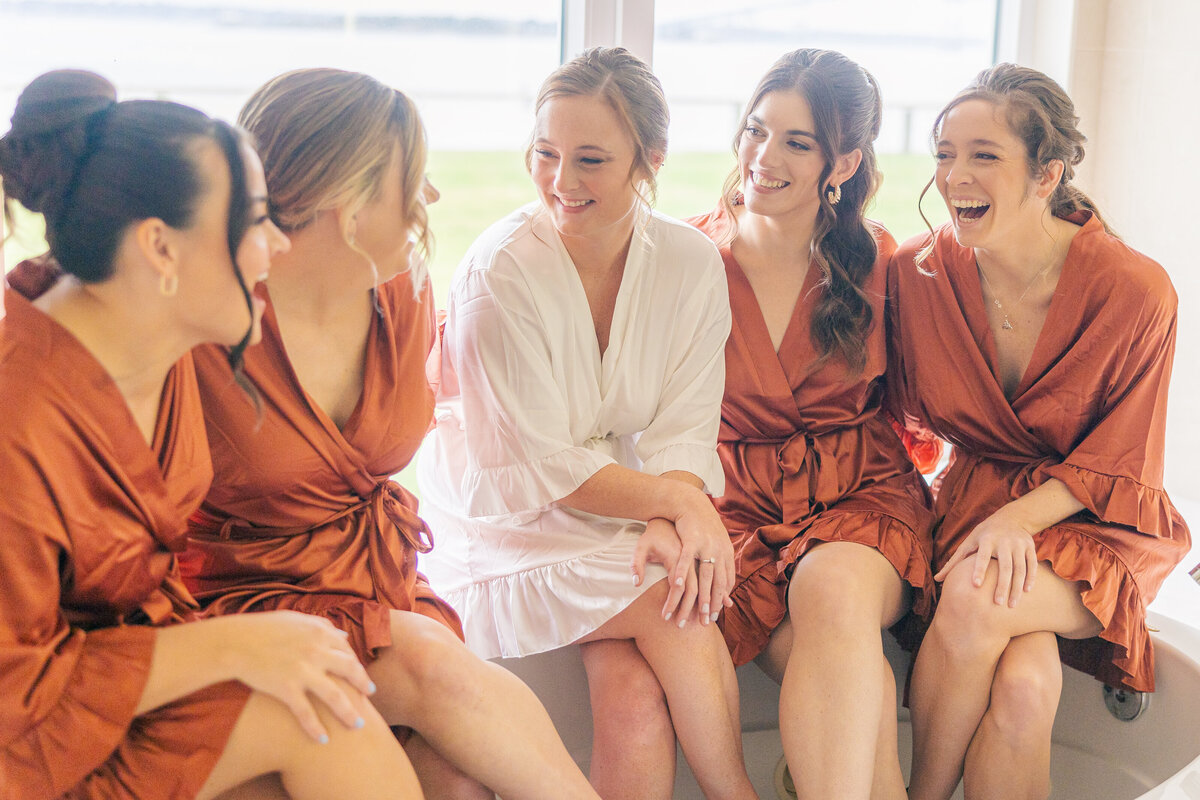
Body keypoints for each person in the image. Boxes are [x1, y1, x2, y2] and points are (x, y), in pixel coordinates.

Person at [179, 68, 601, 800]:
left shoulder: (401, 281)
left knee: (459, 778)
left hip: (378, 582)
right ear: (345, 203)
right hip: (236, 599)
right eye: (413, 183)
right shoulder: (201, 317)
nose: (431, 201)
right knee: (428, 665)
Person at [0, 70, 423, 800]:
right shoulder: (20, 420)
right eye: (255, 222)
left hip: (119, 693)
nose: (276, 250)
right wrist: (233, 643)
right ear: (160, 249)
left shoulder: (150, 360)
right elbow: (13, 695)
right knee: (328, 715)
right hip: (31, 745)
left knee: (335, 714)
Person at [417, 47, 757, 799]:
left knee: (636, 699)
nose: (561, 182)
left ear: (651, 161)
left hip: (626, 501)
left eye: (592, 160)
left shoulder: (691, 262)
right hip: (504, 512)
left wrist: (673, 509)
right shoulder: (497, 273)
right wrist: (681, 506)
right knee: (679, 606)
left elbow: (685, 425)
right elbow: (538, 467)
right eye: (546, 153)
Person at [888, 63, 1191, 800]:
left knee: (975, 595)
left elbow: (1124, 458)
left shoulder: (1134, 290)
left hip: (1097, 518)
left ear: (1047, 172)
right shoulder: (916, 275)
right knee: (1024, 691)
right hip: (976, 507)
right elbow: (886, 416)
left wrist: (1018, 520)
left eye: (984, 155)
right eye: (944, 152)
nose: (955, 174)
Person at [687, 49, 937, 800]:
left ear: (844, 161)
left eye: (797, 143)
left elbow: (936, 400)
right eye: (756, 131)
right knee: (840, 693)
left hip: (862, 498)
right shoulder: (687, 256)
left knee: (830, 588)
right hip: (738, 514)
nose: (764, 157)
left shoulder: (879, 262)